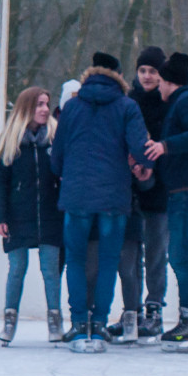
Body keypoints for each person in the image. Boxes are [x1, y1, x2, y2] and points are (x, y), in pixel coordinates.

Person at [50, 51, 151, 348]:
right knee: (108, 261)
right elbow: (141, 150)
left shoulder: (71, 108)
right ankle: (100, 323)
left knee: (76, 261)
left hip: (76, 197)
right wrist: (146, 165)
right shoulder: (127, 107)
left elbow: (56, 158)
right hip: (113, 199)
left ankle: (79, 324)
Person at [144, 51, 188, 351]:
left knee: (180, 255)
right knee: (179, 254)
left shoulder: (186, 102)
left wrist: (165, 146)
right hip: (184, 191)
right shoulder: (180, 103)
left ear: (169, 82)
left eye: (159, 81)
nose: (156, 86)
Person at [108, 46, 172, 344]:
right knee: (129, 256)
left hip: (159, 192)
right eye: (143, 70)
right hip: (130, 192)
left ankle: (155, 308)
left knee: (156, 252)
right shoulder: (127, 101)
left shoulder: (168, 103)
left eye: (153, 72)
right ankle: (130, 311)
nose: (147, 76)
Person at [0, 86, 62, 345]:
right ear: (26, 109)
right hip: (18, 217)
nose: (44, 109)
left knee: (51, 270)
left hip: (51, 217)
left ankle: (55, 322)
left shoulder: (55, 139)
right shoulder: (10, 142)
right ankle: (9, 322)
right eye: (39, 104)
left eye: (46, 103)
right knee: (17, 268)